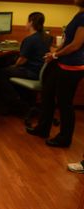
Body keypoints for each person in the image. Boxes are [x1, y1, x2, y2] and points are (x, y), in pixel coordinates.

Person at [26, 0, 84, 147]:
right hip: (61, 62)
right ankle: (43, 128)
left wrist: (56, 55)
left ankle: (64, 138)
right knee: (47, 93)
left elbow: (76, 44)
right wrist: (54, 54)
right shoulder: (79, 13)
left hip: (72, 66)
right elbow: (66, 41)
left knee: (65, 103)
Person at [0, 12, 51, 115]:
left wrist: (13, 66)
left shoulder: (30, 39)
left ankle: (16, 103)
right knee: (8, 65)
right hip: (40, 71)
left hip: (31, 72)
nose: (26, 23)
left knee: (2, 73)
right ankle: (22, 100)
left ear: (31, 23)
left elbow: (22, 60)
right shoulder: (46, 37)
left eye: (27, 21)